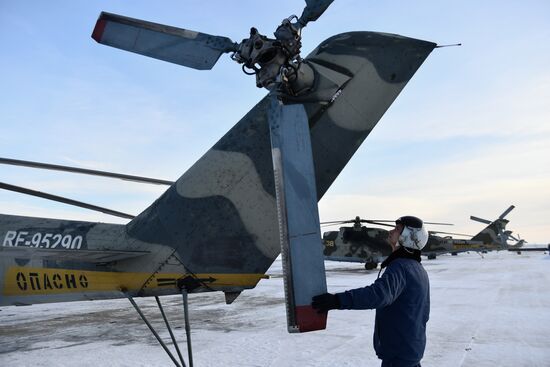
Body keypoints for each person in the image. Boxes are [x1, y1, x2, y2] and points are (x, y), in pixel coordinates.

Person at [312, 216, 430, 367]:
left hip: (398, 355)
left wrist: (338, 300)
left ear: (408, 236)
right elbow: (424, 313)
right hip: (410, 349)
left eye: (397, 229)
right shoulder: (417, 268)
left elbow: (378, 294)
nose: (391, 231)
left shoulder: (400, 267)